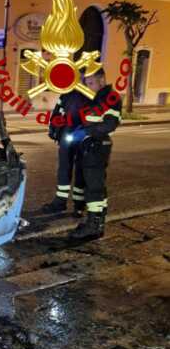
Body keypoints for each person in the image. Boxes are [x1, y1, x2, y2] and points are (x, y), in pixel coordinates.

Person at [69, 69, 122, 240]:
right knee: (95, 185)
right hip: (91, 145)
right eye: (86, 83)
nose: (88, 86)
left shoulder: (111, 97)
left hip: (97, 146)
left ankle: (93, 225)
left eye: (91, 83)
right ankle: (97, 223)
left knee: (93, 188)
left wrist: (86, 132)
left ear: (102, 80)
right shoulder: (96, 98)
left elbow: (110, 124)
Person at [40, 89, 89, 217]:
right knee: (64, 169)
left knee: (81, 171)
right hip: (67, 135)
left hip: (84, 136)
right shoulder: (67, 94)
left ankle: (79, 205)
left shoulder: (91, 93)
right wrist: (53, 129)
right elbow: (57, 111)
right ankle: (60, 202)